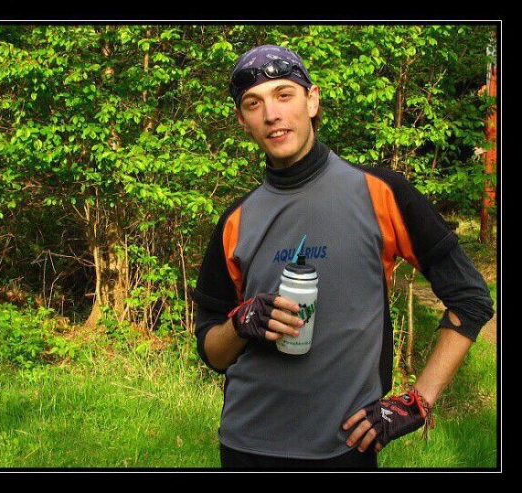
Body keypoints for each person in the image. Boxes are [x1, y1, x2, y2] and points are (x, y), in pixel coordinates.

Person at [193, 44, 494, 470]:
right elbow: (212, 352)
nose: (272, 114)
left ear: (312, 100)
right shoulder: (236, 220)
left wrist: (416, 402)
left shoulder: (381, 193)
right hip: (246, 445)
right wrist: (241, 324)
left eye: (284, 95)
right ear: (243, 120)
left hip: (346, 446)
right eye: (253, 103)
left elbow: (472, 298)